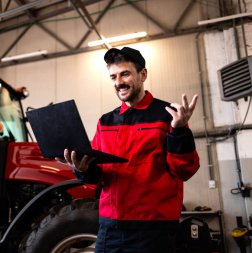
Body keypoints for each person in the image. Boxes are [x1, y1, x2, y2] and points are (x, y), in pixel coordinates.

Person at [57, 46, 200, 253]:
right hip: (110, 229)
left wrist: (179, 132)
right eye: (113, 76)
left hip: (153, 231)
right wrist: (82, 169)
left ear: (143, 74)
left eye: (125, 74)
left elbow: (185, 170)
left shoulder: (168, 116)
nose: (118, 82)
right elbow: (98, 176)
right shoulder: (105, 121)